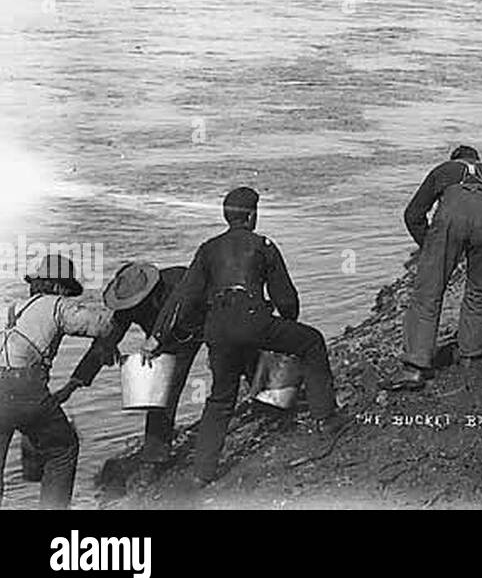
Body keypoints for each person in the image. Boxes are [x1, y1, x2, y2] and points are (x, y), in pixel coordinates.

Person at [147, 187, 344, 485]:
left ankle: (203, 473)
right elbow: (286, 298)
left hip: (217, 330)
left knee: (220, 399)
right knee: (312, 341)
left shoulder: (207, 249)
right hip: (255, 322)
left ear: (226, 217)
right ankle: (326, 418)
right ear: (252, 215)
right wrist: (285, 327)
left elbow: (182, 299)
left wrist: (156, 338)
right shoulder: (263, 245)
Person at [391, 145, 482, 389]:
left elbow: (413, 214)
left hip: (451, 220)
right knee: (478, 287)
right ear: (476, 159)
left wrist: (430, 247)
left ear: (454, 159)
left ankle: (415, 368)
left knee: (429, 293)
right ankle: (470, 353)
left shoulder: (444, 170)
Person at [0, 253, 114, 508]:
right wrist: (108, 340)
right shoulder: (57, 305)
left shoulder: (10, 307)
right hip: (26, 390)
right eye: (66, 289)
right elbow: (101, 325)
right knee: (63, 449)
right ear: (59, 286)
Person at [62, 261, 203, 463]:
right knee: (160, 398)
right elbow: (106, 341)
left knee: (234, 362)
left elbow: (182, 314)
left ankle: (259, 402)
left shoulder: (180, 283)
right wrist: (74, 383)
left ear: (152, 292)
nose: (135, 308)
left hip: (204, 323)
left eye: (139, 303)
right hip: (168, 345)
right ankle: (155, 456)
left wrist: (156, 339)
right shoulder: (128, 306)